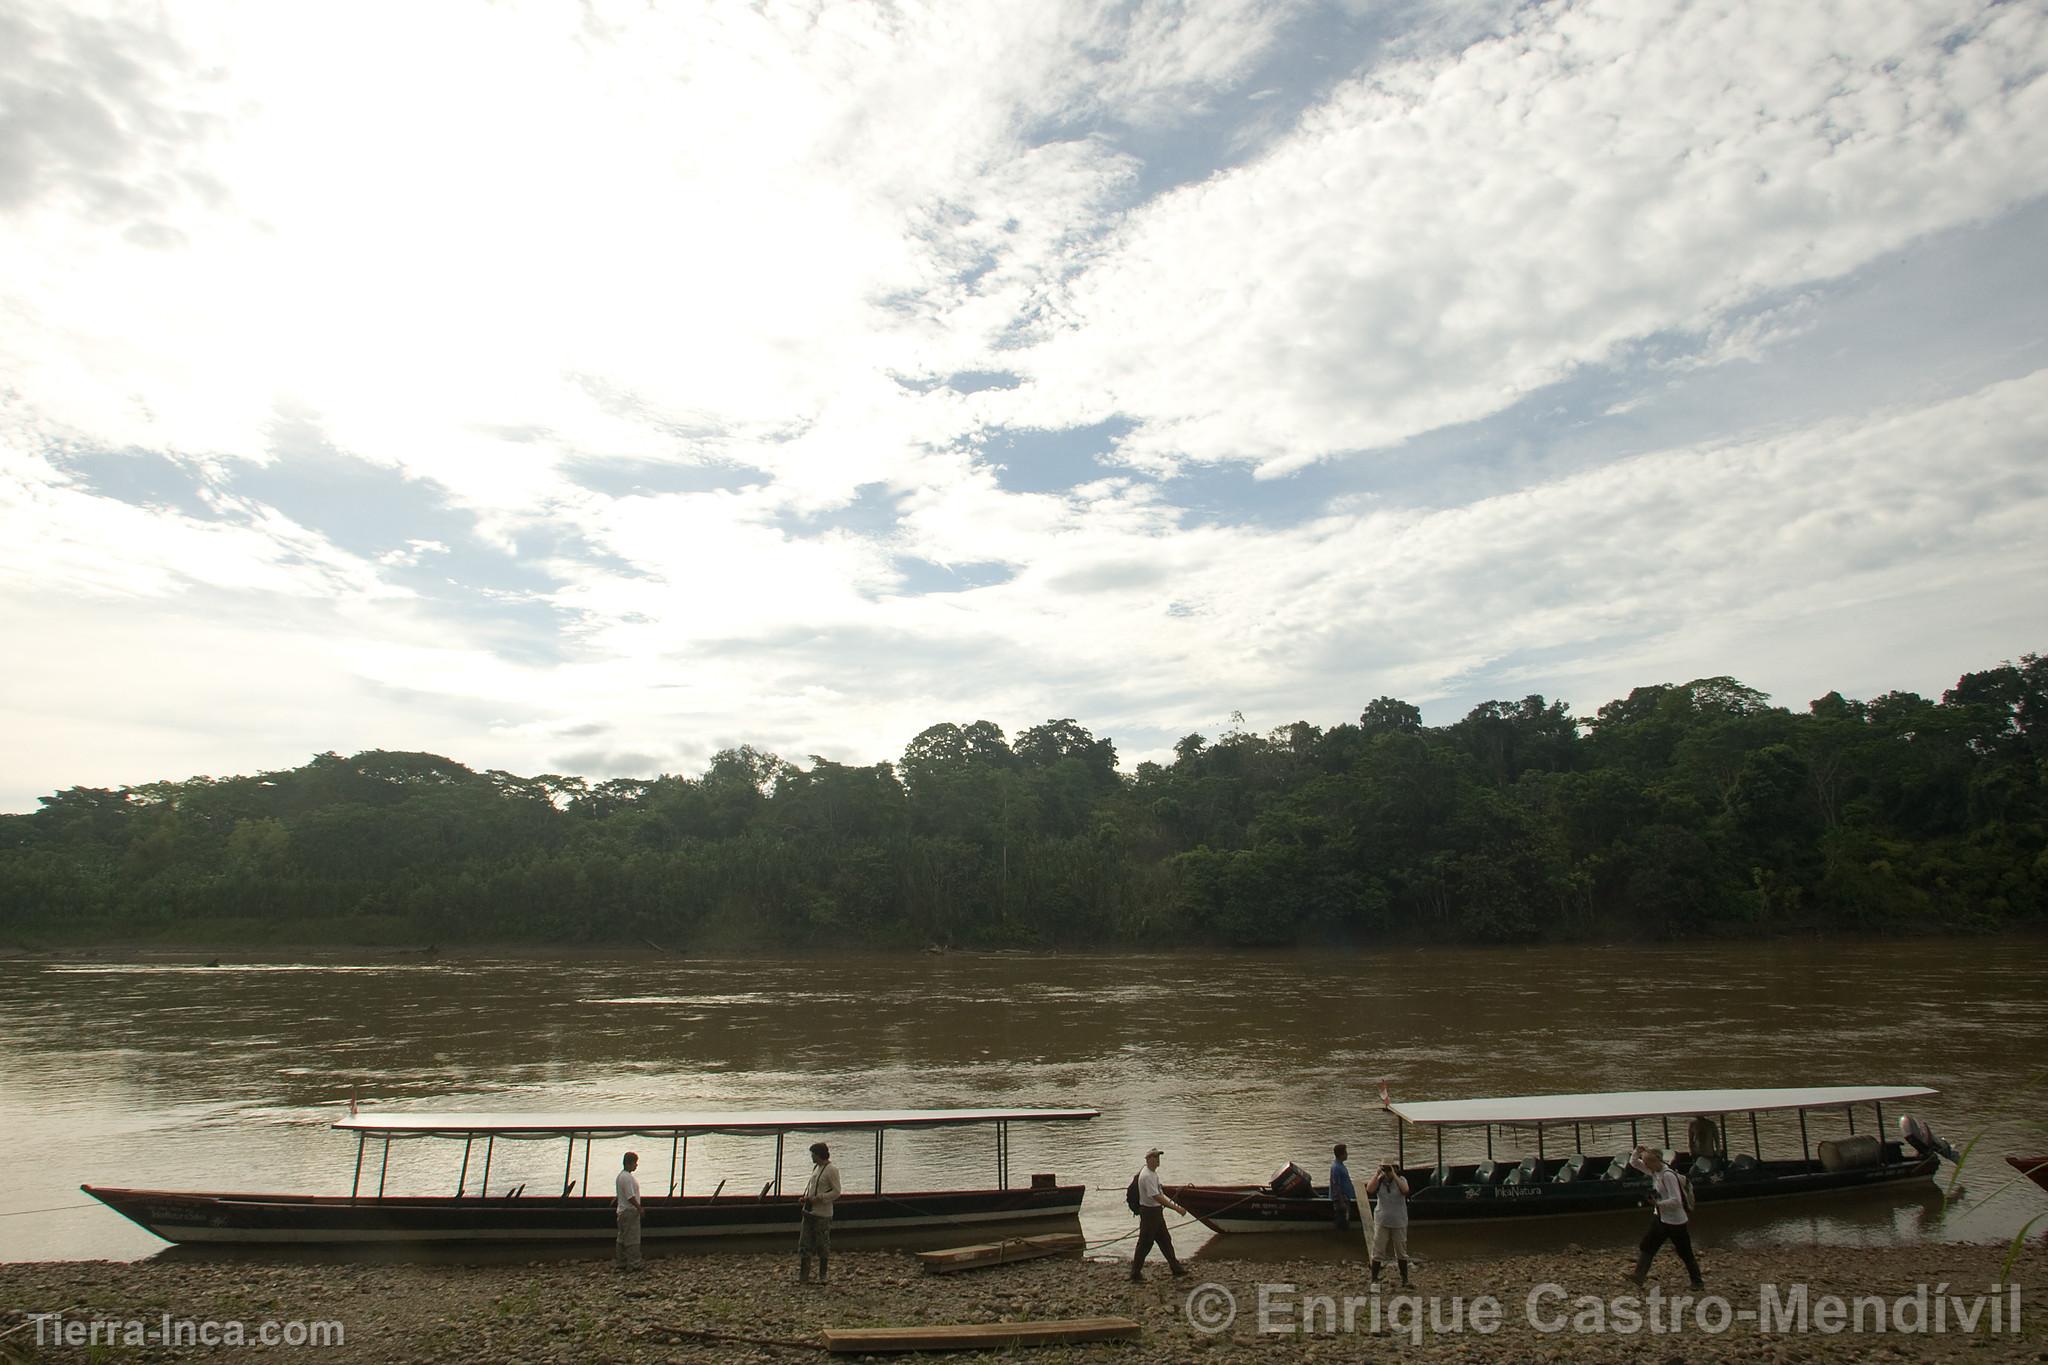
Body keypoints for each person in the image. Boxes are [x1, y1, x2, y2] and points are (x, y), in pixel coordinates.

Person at [1624, 1144, 1704, 1290]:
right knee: (1647, 1245)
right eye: (1645, 1162)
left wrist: (1658, 1203)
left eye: (1648, 1162)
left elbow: (1676, 1201)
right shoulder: (1655, 1171)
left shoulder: (1668, 1176)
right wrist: (1637, 1151)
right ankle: (1638, 1276)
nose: (1646, 1166)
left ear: (1657, 1161)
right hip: (1661, 1218)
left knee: (1684, 1251)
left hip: (1675, 1221)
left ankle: (1697, 1281)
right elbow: (1634, 1163)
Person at [1130, 1147, 1190, 1281]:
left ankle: (1176, 1269)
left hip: (1155, 1212)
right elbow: (1157, 1196)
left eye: (1158, 1157)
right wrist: (1176, 1208)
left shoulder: (1152, 1173)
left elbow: (1158, 1192)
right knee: (1145, 1244)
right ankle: (1135, 1273)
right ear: (1148, 1159)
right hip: (1149, 1213)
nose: (1158, 1160)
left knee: (1165, 1241)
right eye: (1155, 1157)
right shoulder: (1146, 1176)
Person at [798, 1141, 841, 1284]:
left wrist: (820, 1198)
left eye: (813, 1154)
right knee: (804, 1243)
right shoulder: (816, 1168)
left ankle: (823, 1275)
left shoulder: (832, 1170)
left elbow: (836, 1192)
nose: (811, 1157)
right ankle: (803, 1276)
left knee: (822, 1244)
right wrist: (806, 1199)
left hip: (823, 1214)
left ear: (819, 1154)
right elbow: (813, 1188)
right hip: (809, 1211)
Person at [1365, 1157, 1411, 1286]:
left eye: (1389, 1168)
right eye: (1385, 1168)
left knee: (1401, 1251)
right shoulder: (1379, 1181)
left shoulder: (1401, 1180)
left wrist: (1394, 1175)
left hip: (1399, 1221)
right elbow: (1369, 1189)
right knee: (1378, 1250)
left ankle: (1404, 1279)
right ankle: (1374, 1278)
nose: (1387, 1171)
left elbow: (1405, 1190)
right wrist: (1377, 1173)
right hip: (1382, 1220)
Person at [614, 1151, 643, 1272]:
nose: (636, 1165)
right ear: (630, 1163)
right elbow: (630, 1196)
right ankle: (634, 1263)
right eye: (635, 1163)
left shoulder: (621, 1176)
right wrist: (639, 1208)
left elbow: (623, 1193)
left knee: (622, 1237)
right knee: (632, 1238)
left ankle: (621, 1262)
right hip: (629, 1211)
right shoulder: (627, 1178)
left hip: (621, 1211)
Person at [1329, 1143, 1358, 1231]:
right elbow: (1336, 1185)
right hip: (1341, 1200)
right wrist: (1341, 1202)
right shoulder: (1336, 1167)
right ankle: (1340, 1235)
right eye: (1345, 1152)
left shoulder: (1340, 1165)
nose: (1347, 1154)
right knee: (1342, 1221)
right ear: (1341, 1154)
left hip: (1346, 1198)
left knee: (1345, 1220)